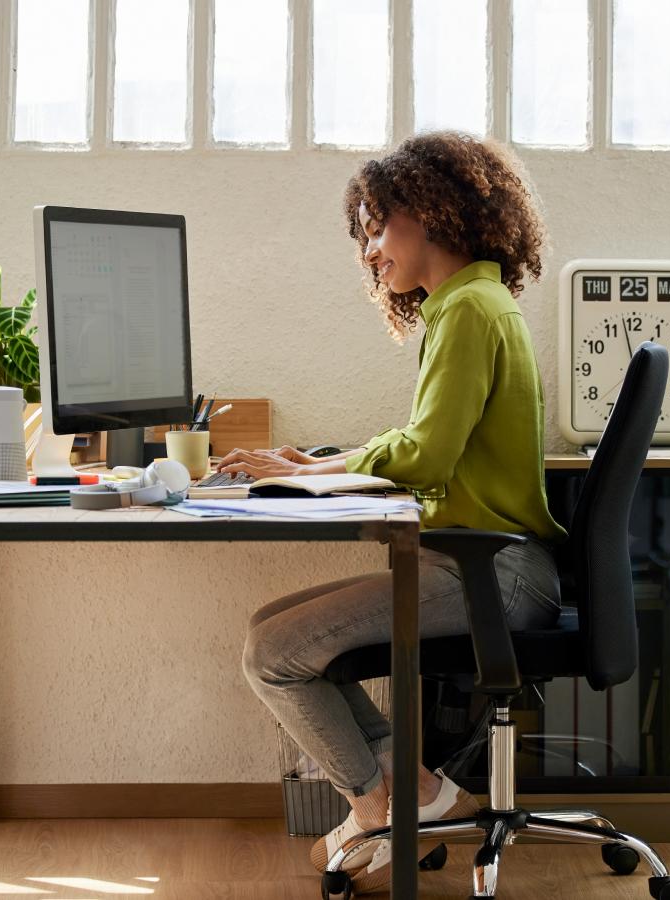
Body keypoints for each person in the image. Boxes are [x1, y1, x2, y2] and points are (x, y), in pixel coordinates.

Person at [218, 131, 567, 893]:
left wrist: (327, 468)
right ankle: (419, 792)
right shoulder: (470, 303)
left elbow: (427, 455)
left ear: (430, 211)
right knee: (272, 634)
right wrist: (321, 466)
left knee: (273, 653)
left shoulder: (470, 310)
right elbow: (423, 442)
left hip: (494, 573)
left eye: (378, 225)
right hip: (487, 563)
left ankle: (379, 809)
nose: (371, 250)